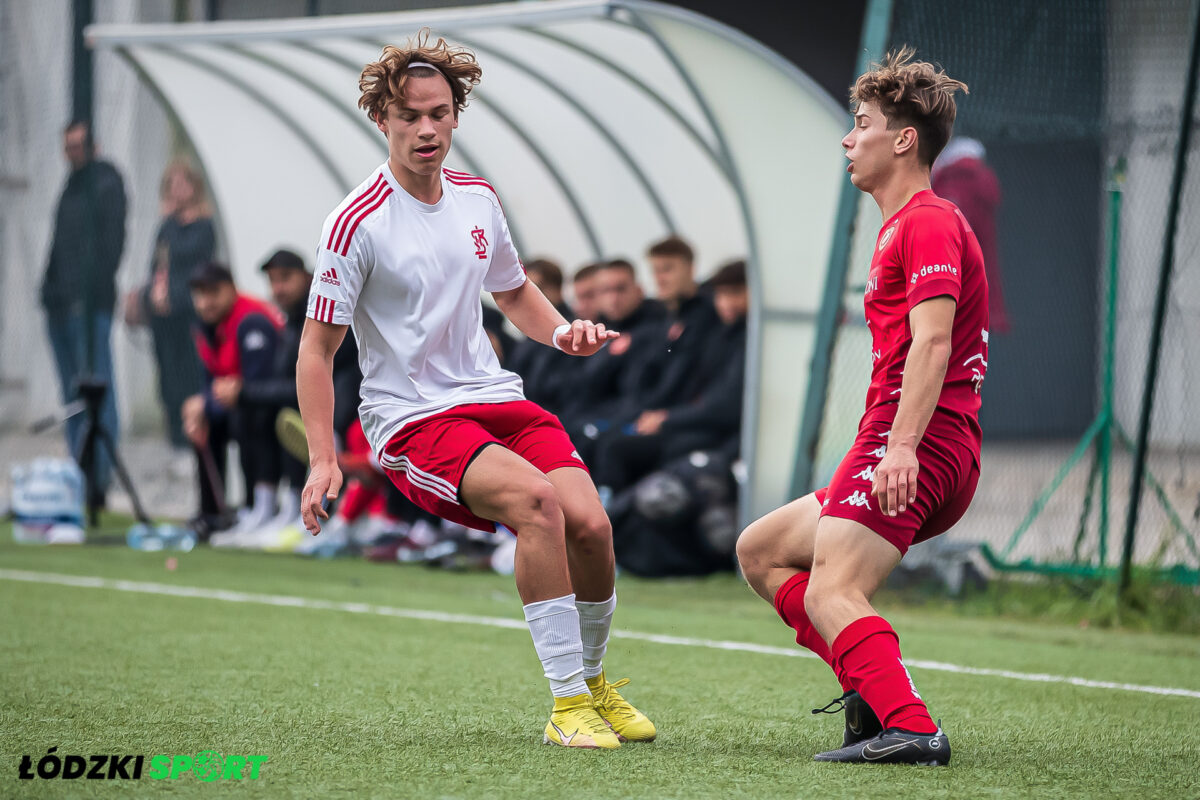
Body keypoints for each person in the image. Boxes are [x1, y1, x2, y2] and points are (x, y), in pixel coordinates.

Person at [296, 34, 654, 750]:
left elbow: (515, 292)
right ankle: (563, 706)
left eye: (438, 113)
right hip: (412, 418)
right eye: (408, 116)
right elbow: (316, 348)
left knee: (592, 523)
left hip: (495, 395)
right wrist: (323, 457)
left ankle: (591, 684)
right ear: (383, 121)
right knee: (539, 505)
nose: (426, 129)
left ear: (456, 115)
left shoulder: (478, 201)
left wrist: (561, 335)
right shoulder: (356, 221)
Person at [735, 48, 986, 765]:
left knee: (832, 588)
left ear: (904, 139)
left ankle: (909, 726)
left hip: (920, 440)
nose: (849, 139)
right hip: (901, 438)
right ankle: (873, 695)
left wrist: (901, 446)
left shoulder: (928, 221)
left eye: (863, 124)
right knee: (762, 553)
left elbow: (933, 347)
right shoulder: (902, 225)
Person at [236, 248, 362, 550]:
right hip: (329, 409)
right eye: (273, 281)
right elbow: (290, 380)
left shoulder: (325, 309)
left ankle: (318, 520)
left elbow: (311, 381)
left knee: (299, 416)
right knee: (264, 414)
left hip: (349, 410)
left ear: (307, 277)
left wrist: (244, 391)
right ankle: (281, 509)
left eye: (285, 279)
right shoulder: (293, 321)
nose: (278, 288)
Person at [592, 259, 747, 494]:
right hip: (688, 420)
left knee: (617, 447)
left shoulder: (740, 336)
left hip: (717, 434)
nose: (726, 303)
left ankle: (610, 513)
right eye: (721, 295)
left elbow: (725, 404)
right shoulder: (718, 333)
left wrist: (668, 418)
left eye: (735, 293)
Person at [41, 120, 126, 508]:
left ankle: (98, 480)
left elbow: (109, 247)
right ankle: (77, 475)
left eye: (78, 145)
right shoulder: (70, 185)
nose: (72, 153)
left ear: (95, 145)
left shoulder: (106, 182)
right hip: (58, 304)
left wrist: (85, 292)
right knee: (72, 395)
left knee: (97, 391)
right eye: (67, 146)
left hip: (88, 307)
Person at [180, 263, 284, 541]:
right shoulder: (205, 326)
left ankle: (259, 506)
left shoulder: (252, 319)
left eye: (213, 292)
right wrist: (201, 404)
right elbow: (213, 379)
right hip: (234, 401)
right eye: (199, 294)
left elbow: (257, 384)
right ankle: (212, 512)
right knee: (203, 422)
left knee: (244, 414)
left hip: (275, 407)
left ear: (231, 289)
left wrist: (209, 401)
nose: (205, 302)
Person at [127, 159, 214, 451]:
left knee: (190, 372)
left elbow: (197, 270)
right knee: (167, 376)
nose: (177, 190)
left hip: (187, 312)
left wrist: (175, 295)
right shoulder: (167, 226)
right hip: (162, 314)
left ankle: (193, 436)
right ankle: (174, 436)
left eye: (182, 183)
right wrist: (151, 295)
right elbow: (157, 265)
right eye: (172, 184)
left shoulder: (203, 226)